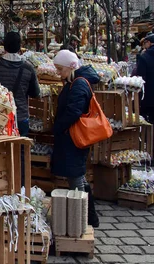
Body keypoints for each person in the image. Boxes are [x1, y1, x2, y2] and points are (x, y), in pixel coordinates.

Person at [0, 32, 40, 187]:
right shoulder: (28, 69)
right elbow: (36, 93)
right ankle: (20, 187)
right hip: (20, 118)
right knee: (20, 153)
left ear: (3, 46)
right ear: (20, 47)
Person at [51, 49, 100, 228]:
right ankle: (90, 217)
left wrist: (58, 127)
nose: (58, 73)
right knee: (78, 176)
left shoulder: (78, 84)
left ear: (70, 67)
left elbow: (74, 111)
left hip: (74, 138)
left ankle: (82, 217)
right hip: (72, 137)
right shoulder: (74, 81)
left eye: (60, 69)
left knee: (76, 178)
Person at [136, 34, 154, 123]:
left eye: (145, 43)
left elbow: (140, 79)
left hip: (150, 96)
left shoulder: (144, 57)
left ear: (150, 43)